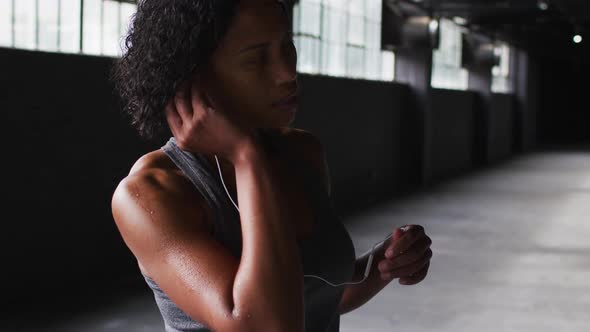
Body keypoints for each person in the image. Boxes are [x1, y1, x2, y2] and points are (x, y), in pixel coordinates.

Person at [110, 0, 433, 331]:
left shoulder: (302, 153)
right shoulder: (150, 195)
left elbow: (315, 296)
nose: (287, 72)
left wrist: (380, 266)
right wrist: (247, 158)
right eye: (256, 58)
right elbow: (266, 325)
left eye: (287, 46)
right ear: (195, 78)